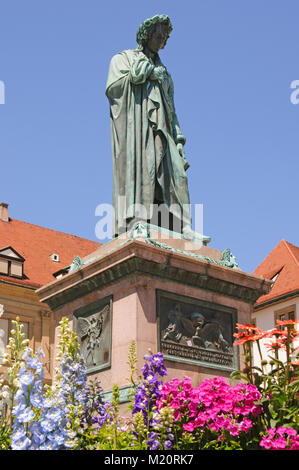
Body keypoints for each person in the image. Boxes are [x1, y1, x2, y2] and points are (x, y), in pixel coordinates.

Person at [106, 15, 192, 237]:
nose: (162, 41)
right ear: (146, 35)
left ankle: (181, 228)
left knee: (177, 175)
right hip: (137, 131)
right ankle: (139, 219)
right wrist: (143, 74)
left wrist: (179, 139)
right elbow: (114, 89)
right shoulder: (122, 59)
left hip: (163, 130)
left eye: (165, 38)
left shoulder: (165, 74)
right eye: (159, 36)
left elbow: (172, 110)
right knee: (145, 171)